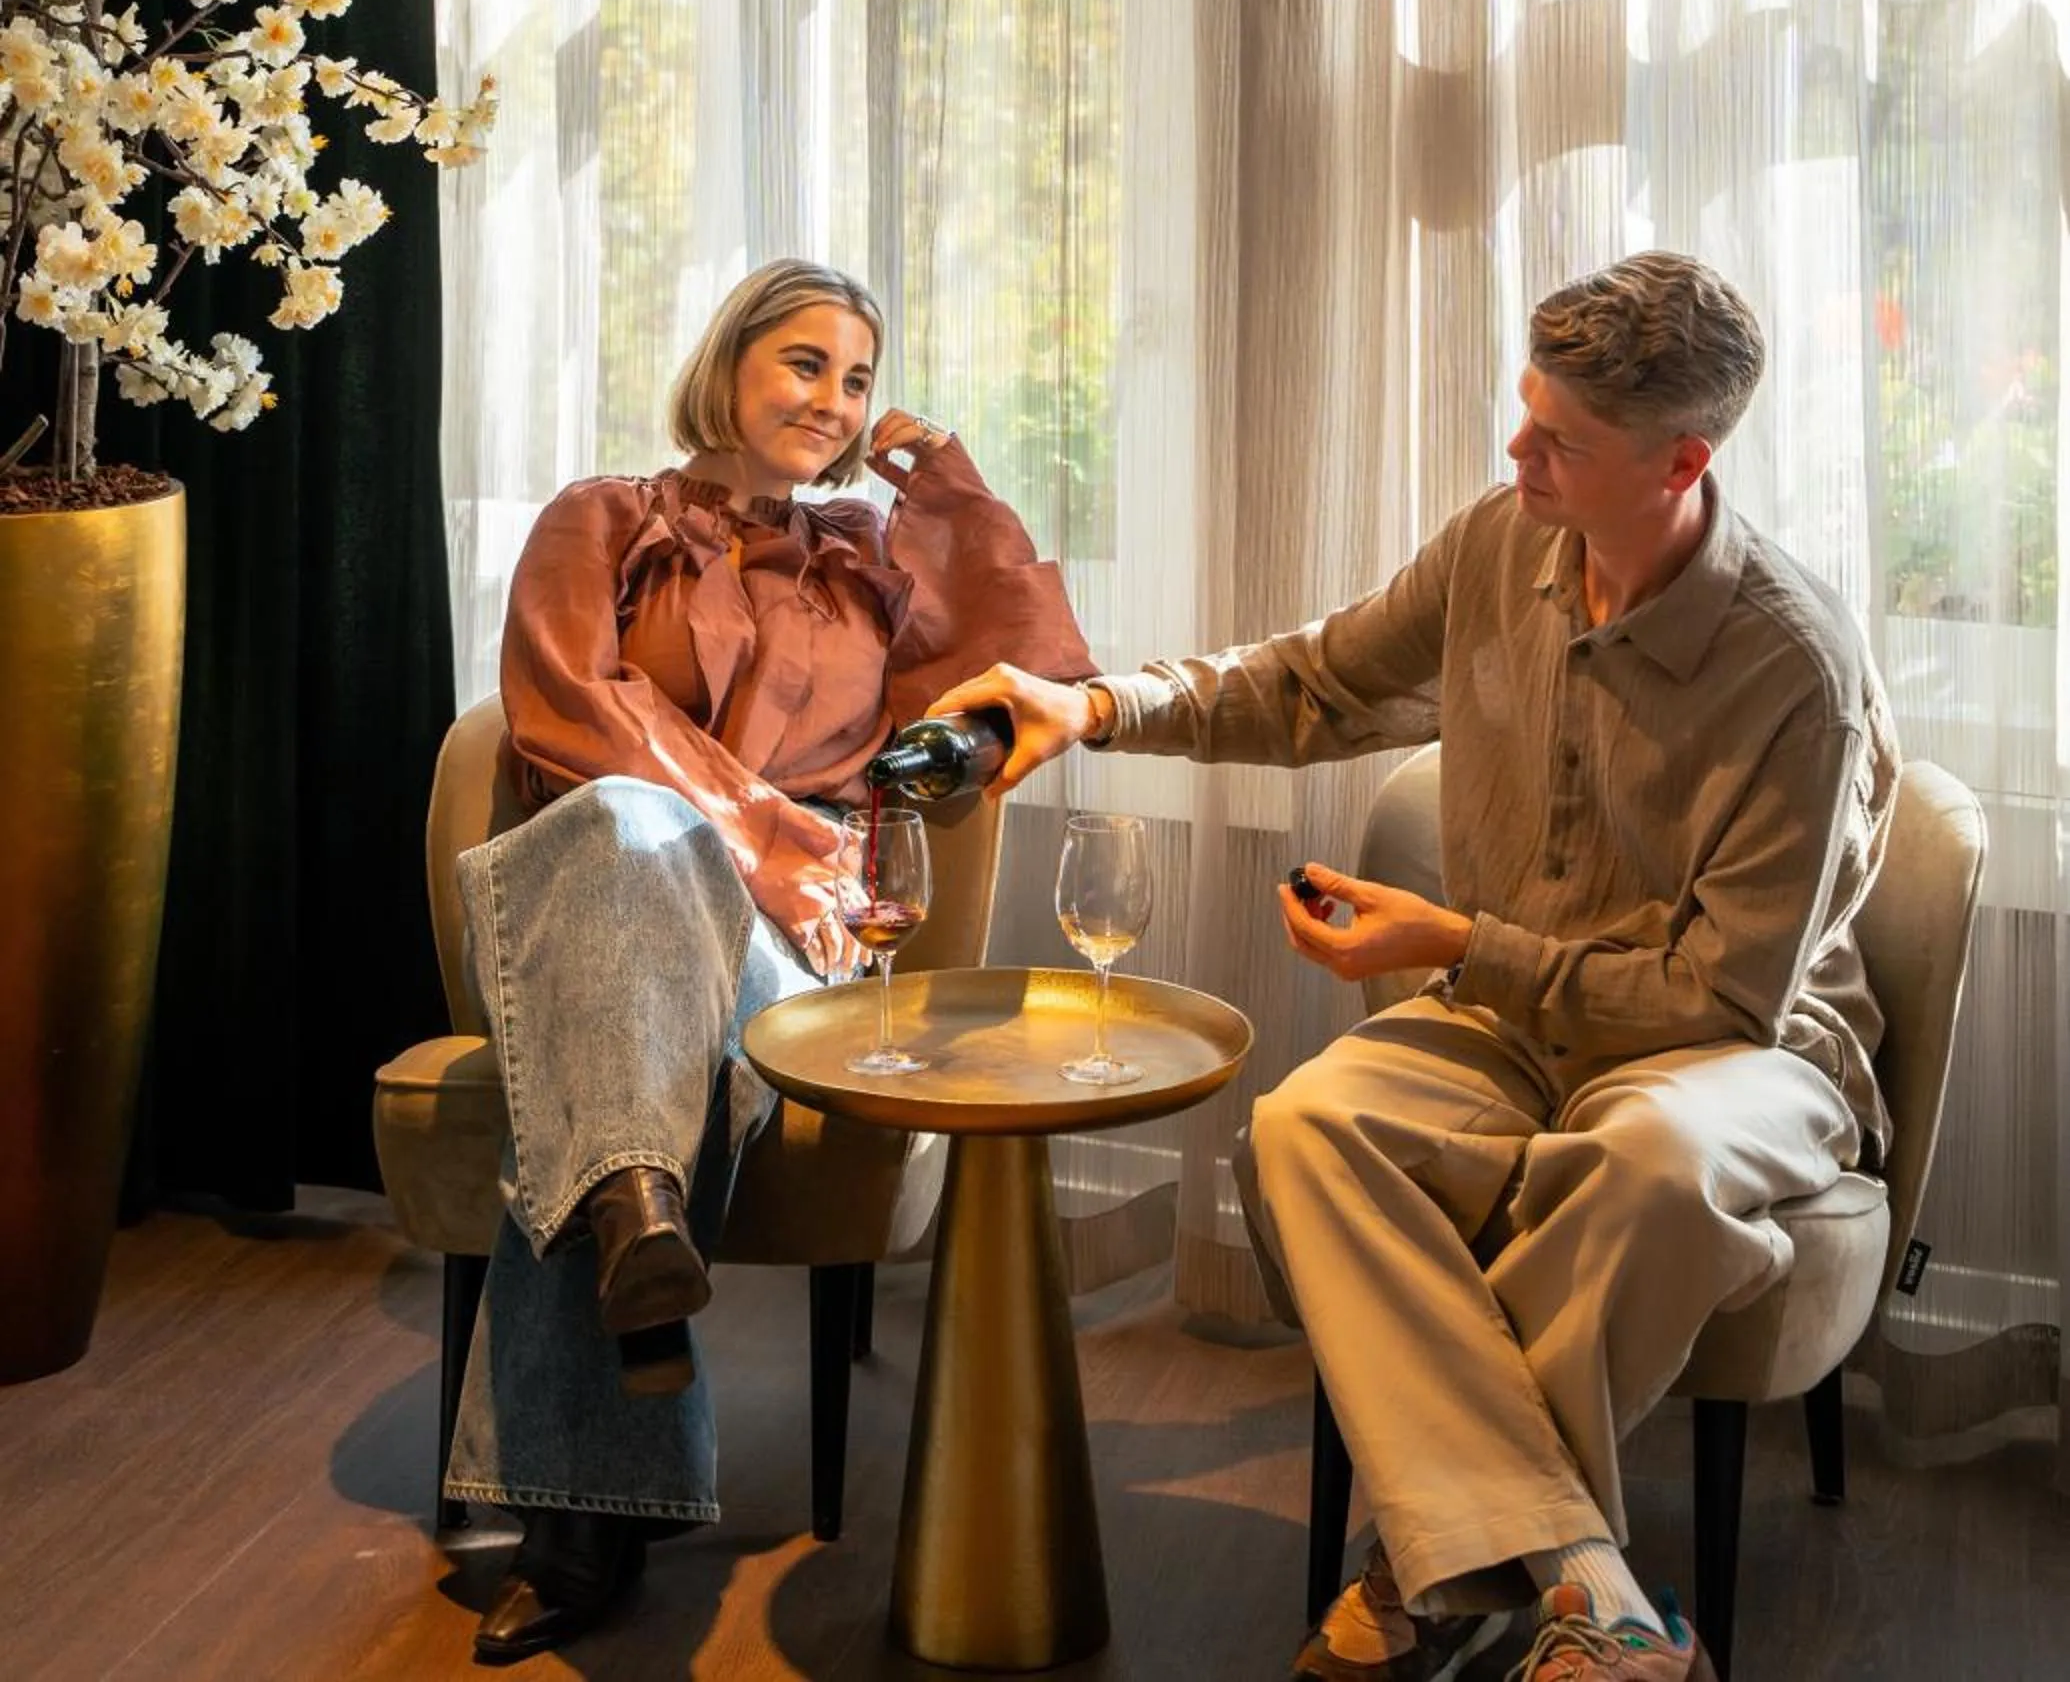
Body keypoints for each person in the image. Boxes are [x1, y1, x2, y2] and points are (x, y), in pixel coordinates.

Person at [935, 253, 1898, 1682]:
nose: (1517, 455)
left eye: (1559, 441)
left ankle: (1426, 1566)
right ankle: (1587, 1584)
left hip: (1737, 1050)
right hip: (1507, 1021)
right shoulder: (1497, 548)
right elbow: (1314, 682)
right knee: (1304, 1127)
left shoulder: (1794, 674)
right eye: (1524, 414)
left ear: (1680, 462)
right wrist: (1090, 707)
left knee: (1648, 1166)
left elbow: (1718, 998)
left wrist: (1450, 942)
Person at [445, 258, 1092, 1666]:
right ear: (731, 363)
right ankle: (634, 1206)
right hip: (605, 892)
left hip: (797, 944)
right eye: (804, 363)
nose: (833, 399)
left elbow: (1031, 682)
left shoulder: (868, 559)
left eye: (856, 378)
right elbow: (562, 708)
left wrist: (948, 481)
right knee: (625, 824)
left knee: (605, 999)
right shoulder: (603, 518)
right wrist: (742, 825)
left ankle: (590, 1455)